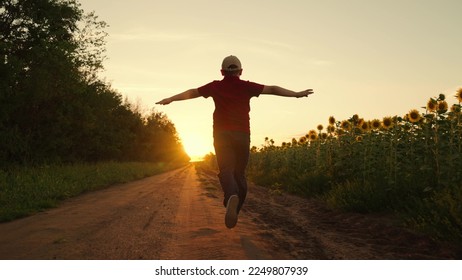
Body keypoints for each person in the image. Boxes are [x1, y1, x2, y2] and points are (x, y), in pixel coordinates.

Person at [156, 55, 314, 229]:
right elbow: (273, 89)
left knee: (226, 170)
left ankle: (231, 196)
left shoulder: (215, 86)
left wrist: (170, 98)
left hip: (222, 135)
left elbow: (192, 92)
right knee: (239, 174)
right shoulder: (246, 86)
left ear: (222, 72)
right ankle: (236, 208)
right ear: (240, 71)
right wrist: (296, 94)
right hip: (242, 135)